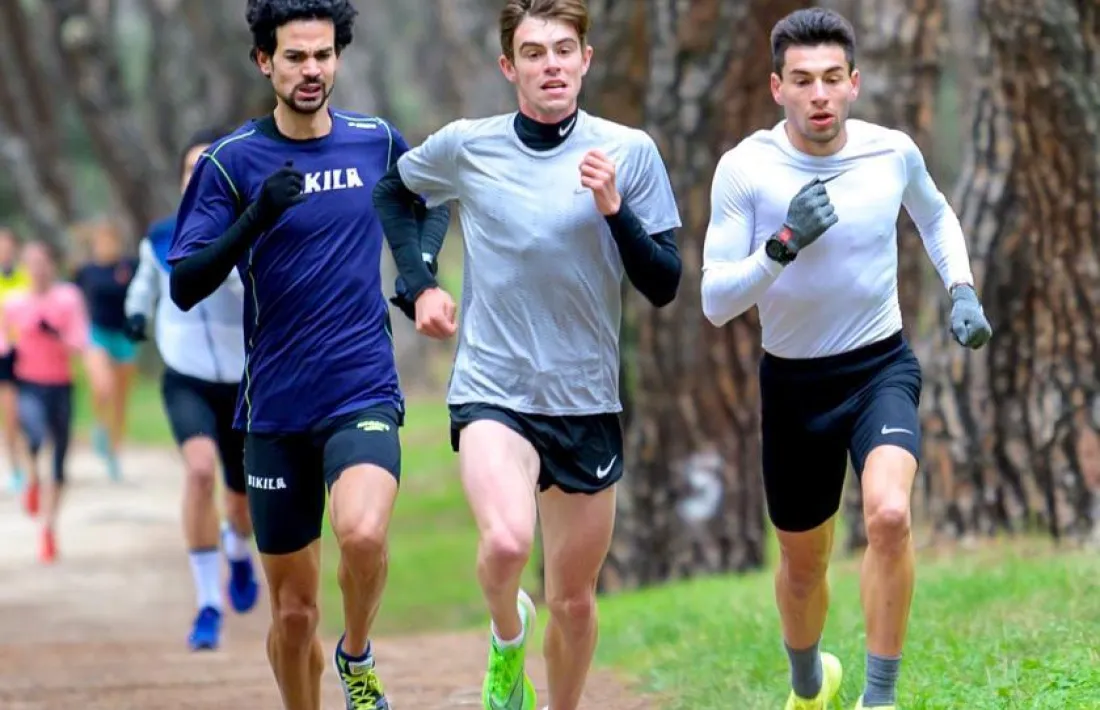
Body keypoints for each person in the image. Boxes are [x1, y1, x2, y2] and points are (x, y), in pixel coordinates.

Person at [373, 1, 682, 708]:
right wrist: (419, 286)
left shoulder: (627, 152)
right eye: (535, 53)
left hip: (585, 399)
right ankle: (507, 640)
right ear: (509, 66)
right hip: (494, 387)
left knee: (573, 600)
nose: (552, 66)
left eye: (564, 50)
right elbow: (395, 192)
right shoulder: (466, 146)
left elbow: (662, 282)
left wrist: (613, 207)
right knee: (509, 544)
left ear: (586, 60)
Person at [699, 9, 993, 710]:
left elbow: (935, 213)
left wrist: (962, 288)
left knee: (889, 515)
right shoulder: (746, 168)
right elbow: (714, 299)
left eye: (833, 78)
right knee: (804, 567)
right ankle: (809, 684)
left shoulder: (891, 152)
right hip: (794, 384)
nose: (819, 95)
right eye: (802, 81)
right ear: (778, 88)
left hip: (878, 368)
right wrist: (781, 244)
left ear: (855, 83)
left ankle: (880, 699)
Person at [167, 1, 450, 708]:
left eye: (323, 55)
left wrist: (418, 281)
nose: (311, 70)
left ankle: (357, 652)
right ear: (265, 61)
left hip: (361, 387)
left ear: (338, 57)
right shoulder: (232, 164)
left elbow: (433, 198)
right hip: (276, 410)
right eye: (295, 57)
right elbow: (185, 282)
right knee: (293, 617)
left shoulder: (376, 141)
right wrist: (257, 215)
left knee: (360, 532)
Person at [124, 127, 260, 652]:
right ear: (181, 179)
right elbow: (146, 284)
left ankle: (239, 552)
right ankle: (208, 604)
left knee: (240, 501)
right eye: (190, 170)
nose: (198, 179)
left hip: (245, 382)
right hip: (187, 378)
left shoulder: (252, 233)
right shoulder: (160, 237)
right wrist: (137, 314)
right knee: (200, 472)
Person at [1, 241, 92, 563]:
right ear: (25, 268)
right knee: (35, 436)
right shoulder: (13, 302)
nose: (37, 270)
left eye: (42, 263)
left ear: (51, 265)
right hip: (28, 384)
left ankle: (49, 529)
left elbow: (80, 341)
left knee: (60, 461)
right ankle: (32, 479)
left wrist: (55, 333)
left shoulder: (68, 298)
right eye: (31, 264)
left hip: (61, 385)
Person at [73, 218, 139, 481]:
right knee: (103, 386)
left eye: (110, 240)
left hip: (123, 336)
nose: (106, 245)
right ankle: (99, 425)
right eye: (101, 240)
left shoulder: (129, 267)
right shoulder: (86, 270)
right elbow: (74, 301)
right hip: (97, 334)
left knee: (121, 400)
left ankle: (115, 453)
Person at [0, 226, 30, 492]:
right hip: (3, 354)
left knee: (21, 414)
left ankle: (25, 466)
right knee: (9, 415)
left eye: (8, 247)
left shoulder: (26, 277)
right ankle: (16, 468)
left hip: (25, 354)